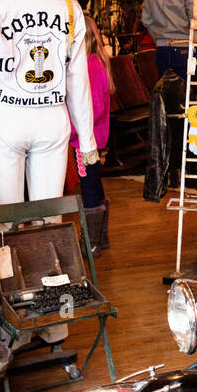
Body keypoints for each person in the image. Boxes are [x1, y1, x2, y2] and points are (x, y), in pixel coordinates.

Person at [69, 16, 113, 253]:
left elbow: (93, 107)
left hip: (86, 139)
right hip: (90, 136)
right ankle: (99, 239)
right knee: (93, 183)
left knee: (89, 188)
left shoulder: (90, 65)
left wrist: (72, 129)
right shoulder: (95, 62)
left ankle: (91, 242)